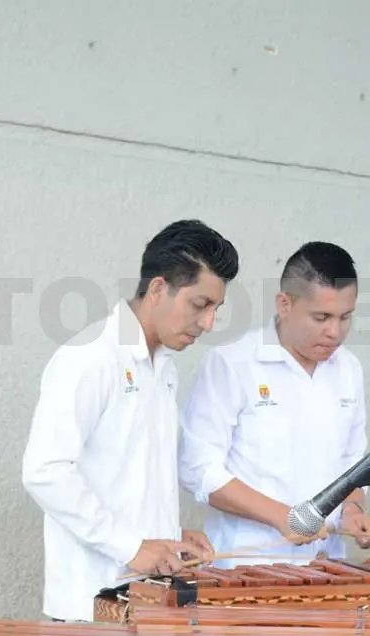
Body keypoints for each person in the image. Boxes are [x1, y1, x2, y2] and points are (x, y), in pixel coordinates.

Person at [21, 219, 239, 622]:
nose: (208, 323)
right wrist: (131, 546)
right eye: (200, 305)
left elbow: (128, 478)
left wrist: (170, 536)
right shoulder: (91, 357)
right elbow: (44, 472)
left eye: (216, 310)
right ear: (158, 289)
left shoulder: (164, 368)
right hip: (90, 609)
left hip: (146, 605)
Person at [178, 241, 370, 568]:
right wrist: (283, 518)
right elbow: (198, 470)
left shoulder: (349, 369)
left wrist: (353, 510)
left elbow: (352, 462)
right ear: (285, 304)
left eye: (345, 317)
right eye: (321, 317)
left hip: (326, 564)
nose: (335, 332)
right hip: (247, 566)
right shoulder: (232, 364)